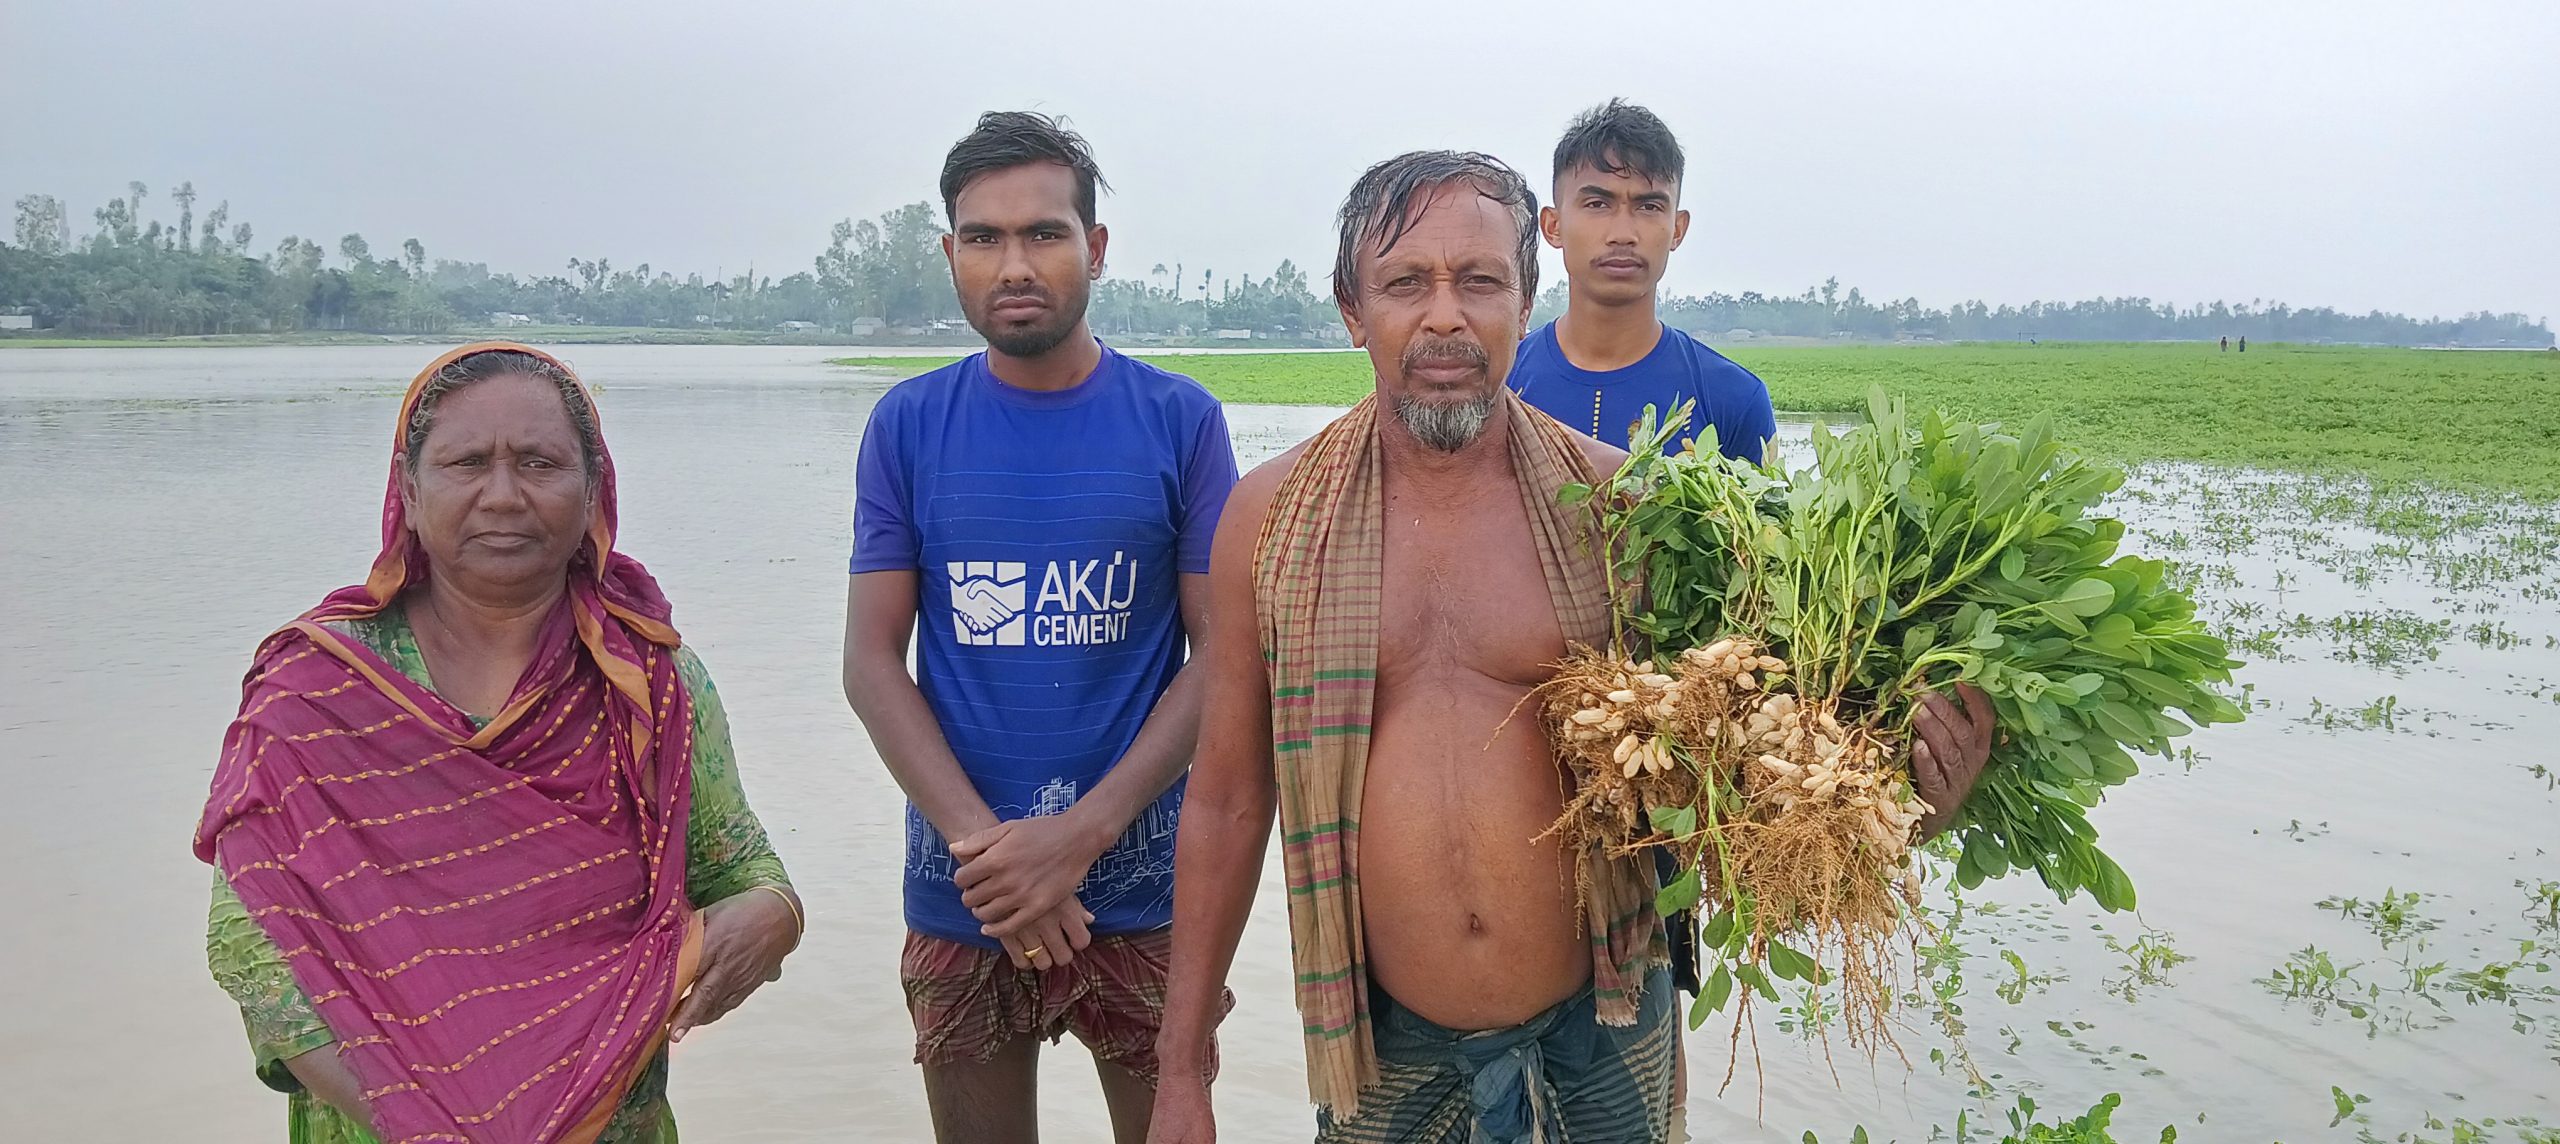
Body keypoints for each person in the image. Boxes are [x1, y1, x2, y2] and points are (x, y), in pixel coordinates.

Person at [1146, 152, 1996, 1143]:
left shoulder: (1618, 509)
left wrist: (1904, 808)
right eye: (1404, 283)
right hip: (1384, 1047)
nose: (1444, 317)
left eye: (1478, 281)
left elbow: (1732, 795)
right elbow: (1225, 798)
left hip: (1605, 1027)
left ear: (1523, 297)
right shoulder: (1273, 519)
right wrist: (1181, 1069)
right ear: (1350, 311)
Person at [198, 344, 803, 1143]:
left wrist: (771, 917)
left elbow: (740, 865)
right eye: (466, 463)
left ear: (594, 491)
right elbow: (256, 943)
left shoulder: (649, 684)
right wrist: (443, 1121)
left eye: (539, 462)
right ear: (410, 493)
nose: (504, 495)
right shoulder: (314, 693)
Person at [843, 111, 1239, 1144]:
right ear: (949, 255)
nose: (1013, 264)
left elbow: (1221, 657)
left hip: (1145, 887)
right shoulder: (907, 426)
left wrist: (1078, 837)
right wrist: (994, 857)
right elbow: (871, 661)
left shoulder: (1180, 421)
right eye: (983, 238)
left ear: (1094, 248)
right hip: (963, 892)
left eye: (1043, 234)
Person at [1509, 99, 1776, 461]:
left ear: (1677, 230)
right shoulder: (1501, 384)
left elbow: (1760, 519)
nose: (1623, 233)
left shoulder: (1733, 399)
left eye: (1649, 207)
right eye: (1597, 204)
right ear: (1553, 226)